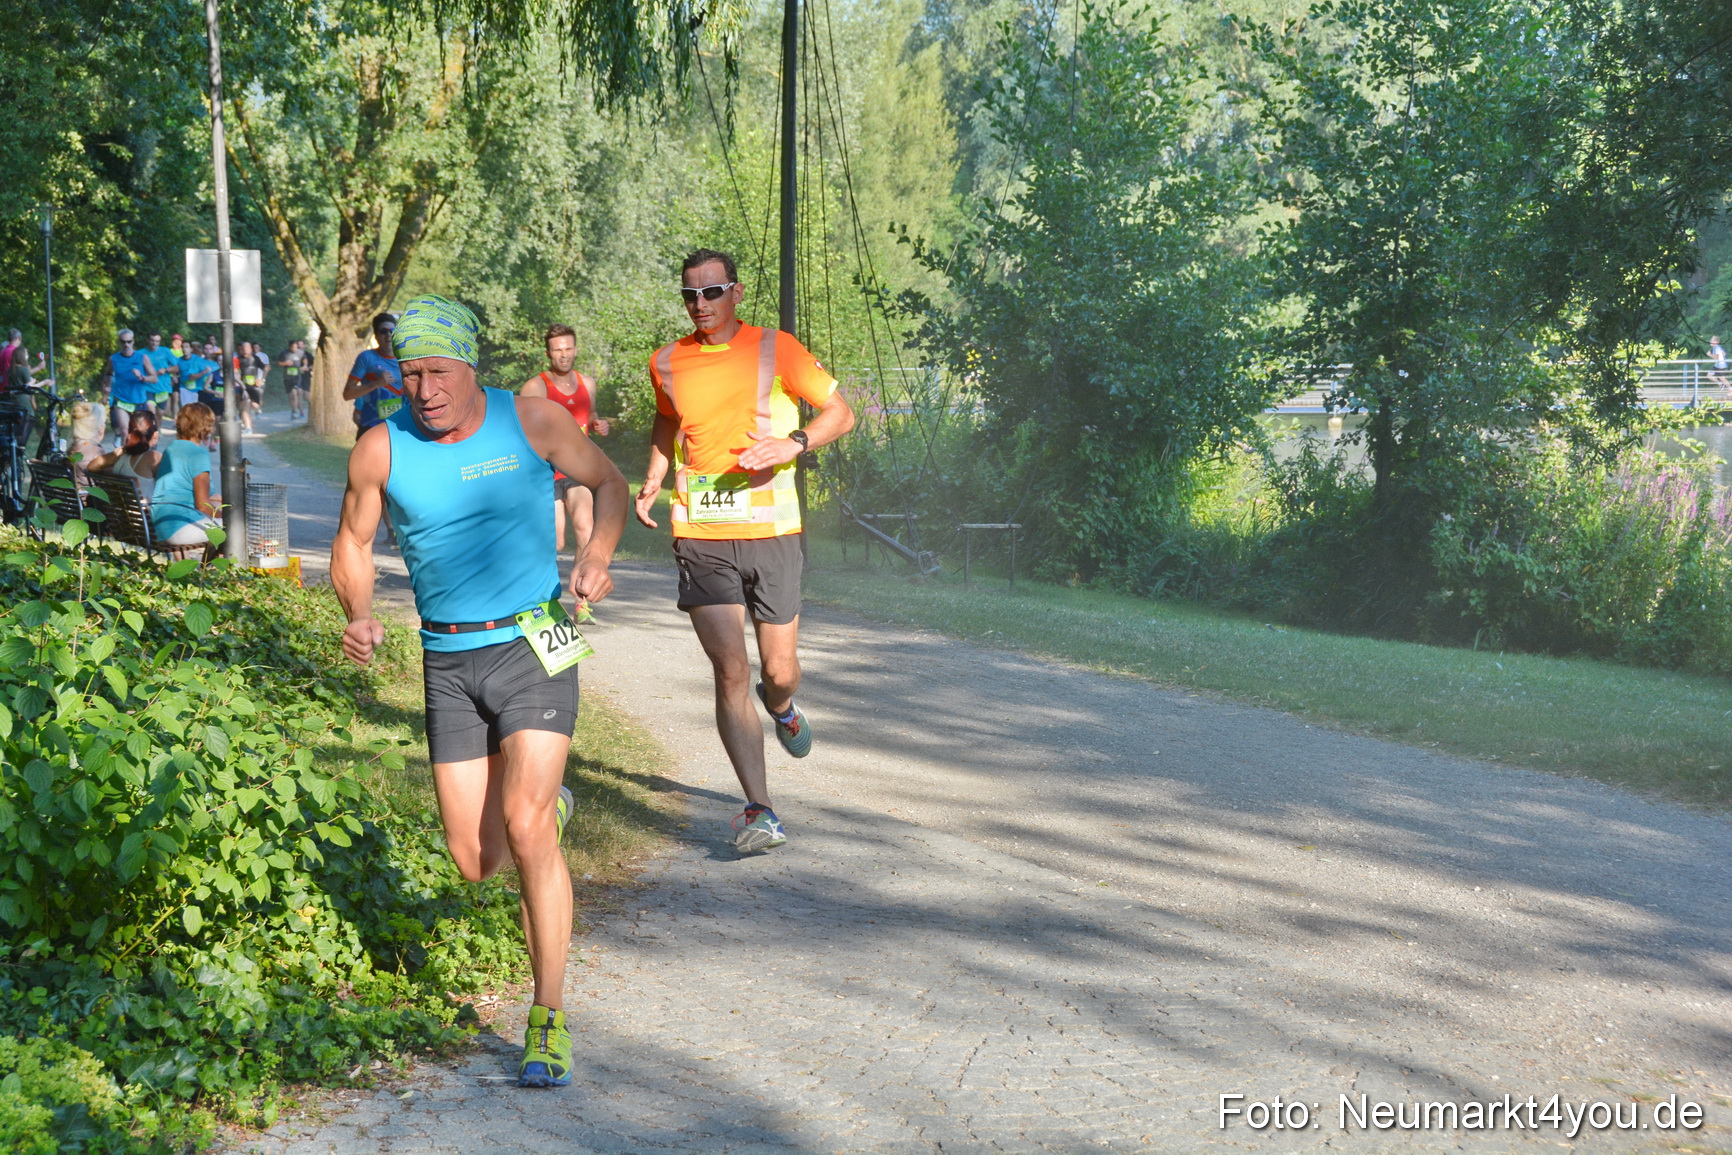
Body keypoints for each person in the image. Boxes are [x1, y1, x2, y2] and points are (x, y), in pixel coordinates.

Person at [331, 295, 629, 1089]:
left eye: (440, 372)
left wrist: (597, 553)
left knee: (526, 827)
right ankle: (547, 812)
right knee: (474, 858)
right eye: (411, 373)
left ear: (471, 366)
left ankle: (547, 1018)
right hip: (448, 660)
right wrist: (357, 612)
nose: (425, 389)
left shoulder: (531, 421)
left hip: (535, 642)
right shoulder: (381, 446)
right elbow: (352, 541)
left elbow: (609, 483)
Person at [634, 248, 855, 853]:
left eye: (711, 292)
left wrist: (794, 443)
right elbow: (666, 420)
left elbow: (841, 413)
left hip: (773, 531)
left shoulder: (775, 347)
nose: (699, 304)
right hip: (701, 533)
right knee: (730, 668)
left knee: (777, 672)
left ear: (735, 292)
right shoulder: (666, 361)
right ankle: (761, 809)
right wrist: (654, 475)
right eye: (689, 295)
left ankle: (781, 707)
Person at [521, 325, 612, 555]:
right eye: (558, 350)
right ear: (548, 353)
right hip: (546, 472)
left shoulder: (587, 383)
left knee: (585, 529)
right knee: (555, 542)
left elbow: (591, 415)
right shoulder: (535, 387)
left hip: (578, 469)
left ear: (576, 350)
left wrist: (597, 424)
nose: (564, 355)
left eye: (568, 349)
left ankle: (581, 578)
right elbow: (522, 433)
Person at [150, 402, 222, 560]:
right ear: (205, 426)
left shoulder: (171, 448)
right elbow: (202, 505)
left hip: (160, 524)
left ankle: (199, 570)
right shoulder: (198, 454)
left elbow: (200, 493)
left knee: (224, 520)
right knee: (234, 528)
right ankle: (209, 570)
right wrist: (227, 517)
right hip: (179, 527)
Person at [343, 314, 403, 439]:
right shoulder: (366, 358)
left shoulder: (407, 358)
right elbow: (347, 394)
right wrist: (376, 384)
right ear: (376, 335)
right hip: (371, 427)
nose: (388, 335)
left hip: (401, 428)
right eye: (383, 331)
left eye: (392, 331)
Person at [98, 329, 159, 444]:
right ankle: (125, 453)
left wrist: (142, 377)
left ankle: (140, 453)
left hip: (138, 400)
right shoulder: (113, 358)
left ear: (133, 341)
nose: (126, 345)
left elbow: (154, 378)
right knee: (125, 431)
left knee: (139, 432)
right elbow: (108, 374)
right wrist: (107, 388)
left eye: (129, 341)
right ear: (119, 342)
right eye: (123, 342)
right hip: (121, 400)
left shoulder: (142, 357)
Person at [89, 408, 162, 501]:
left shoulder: (119, 453)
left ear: (129, 431)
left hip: (118, 508)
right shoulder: (153, 458)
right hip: (145, 509)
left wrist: (114, 475)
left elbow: (91, 466)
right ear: (155, 436)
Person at [142, 332, 179, 416]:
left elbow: (176, 367)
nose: (154, 343)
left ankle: (157, 424)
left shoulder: (166, 351)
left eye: (157, 341)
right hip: (147, 387)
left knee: (161, 413)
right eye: (152, 340)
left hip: (163, 388)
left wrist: (166, 370)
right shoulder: (141, 353)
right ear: (148, 340)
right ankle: (152, 424)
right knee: (150, 409)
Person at [278, 339, 313, 420]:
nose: (296, 348)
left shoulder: (303, 353)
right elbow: (278, 362)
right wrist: (285, 363)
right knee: (292, 395)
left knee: (298, 393)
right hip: (288, 377)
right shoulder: (284, 353)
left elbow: (306, 360)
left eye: (297, 346)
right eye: (294, 346)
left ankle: (300, 412)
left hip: (300, 377)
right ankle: (295, 410)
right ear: (289, 346)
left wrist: (305, 366)